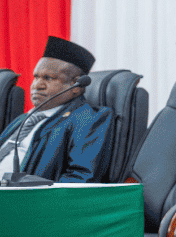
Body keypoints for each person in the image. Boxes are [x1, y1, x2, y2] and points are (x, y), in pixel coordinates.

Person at [0, 36, 114, 182]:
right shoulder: (23, 119)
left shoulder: (88, 119)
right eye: (36, 77)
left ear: (75, 85)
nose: (37, 85)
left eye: (48, 78)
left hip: (24, 195)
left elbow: (80, 178)